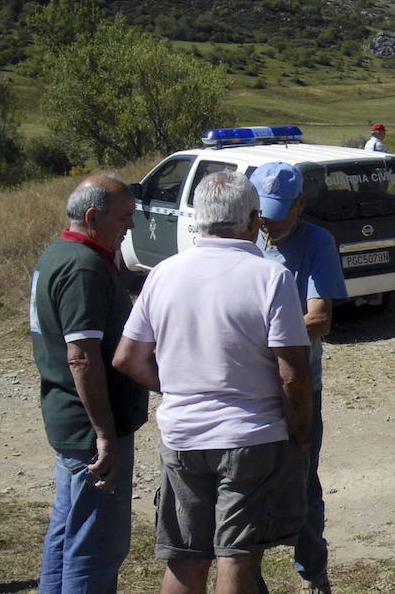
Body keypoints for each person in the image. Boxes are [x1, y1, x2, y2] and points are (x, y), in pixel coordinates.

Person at [114, 171, 312, 594]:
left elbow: (127, 358)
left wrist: (179, 387)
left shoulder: (163, 274)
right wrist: (301, 432)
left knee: (185, 558)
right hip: (250, 436)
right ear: (253, 221)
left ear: (198, 220)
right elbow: (292, 371)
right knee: (236, 557)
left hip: (183, 435)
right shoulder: (269, 277)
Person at [30, 175, 150, 593]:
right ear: (93, 216)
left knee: (67, 531)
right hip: (90, 430)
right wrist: (104, 434)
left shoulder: (59, 254)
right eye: (125, 217)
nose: (130, 227)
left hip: (70, 421)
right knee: (96, 545)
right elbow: (81, 356)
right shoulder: (83, 267)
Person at [249, 162, 347, 594]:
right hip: (249, 384)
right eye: (260, 209)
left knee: (302, 482)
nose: (267, 219)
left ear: (301, 204)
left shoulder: (316, 242)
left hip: (301, 384)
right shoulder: (243, 236)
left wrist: (262, 335)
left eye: (277, 210)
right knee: (246, 485)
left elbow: (321, 319)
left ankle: (313, 573)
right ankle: (246, 575)